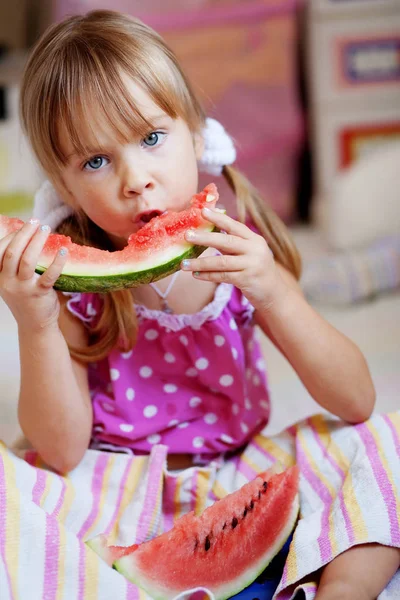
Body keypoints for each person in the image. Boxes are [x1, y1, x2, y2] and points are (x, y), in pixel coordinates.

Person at [0, 10, 399, 600]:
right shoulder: (75, 285)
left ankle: (341, 589)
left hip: (243, 468)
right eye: (95, 161)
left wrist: (274, 293)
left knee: (386, 441)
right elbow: (62, 450)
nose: (136, 179)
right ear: (64, 188)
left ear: (195, 133)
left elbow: (355, 398)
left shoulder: (241, 253)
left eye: (152, 138)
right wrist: (35, 328)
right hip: (113, 480)